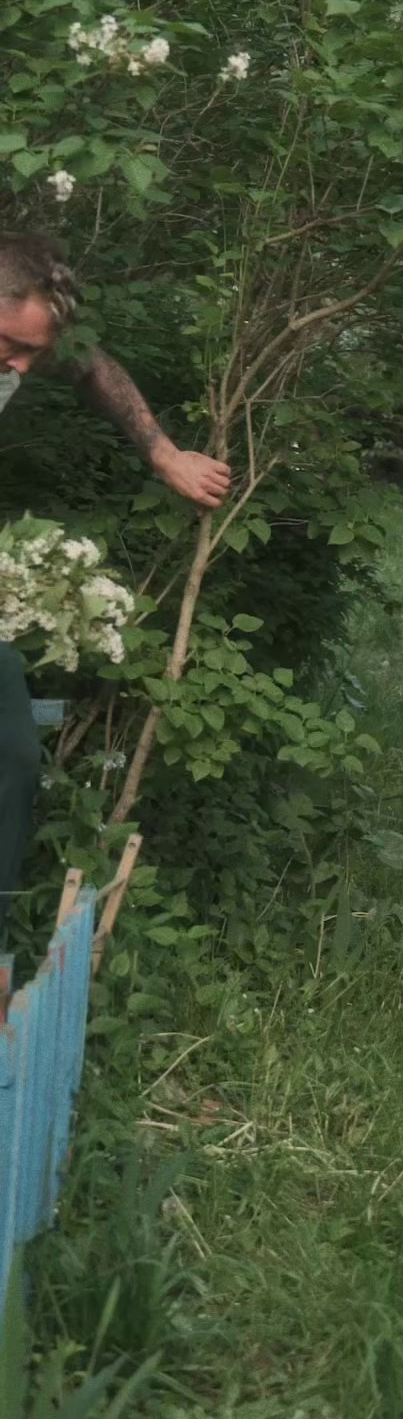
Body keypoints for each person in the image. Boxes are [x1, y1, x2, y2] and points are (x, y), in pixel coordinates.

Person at [0, 233, 231, 931]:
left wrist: (163, 454)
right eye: (9, 344)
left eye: (30, 351)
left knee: (11, 756)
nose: (17, 364)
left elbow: (90, 364)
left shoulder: (19, 352)